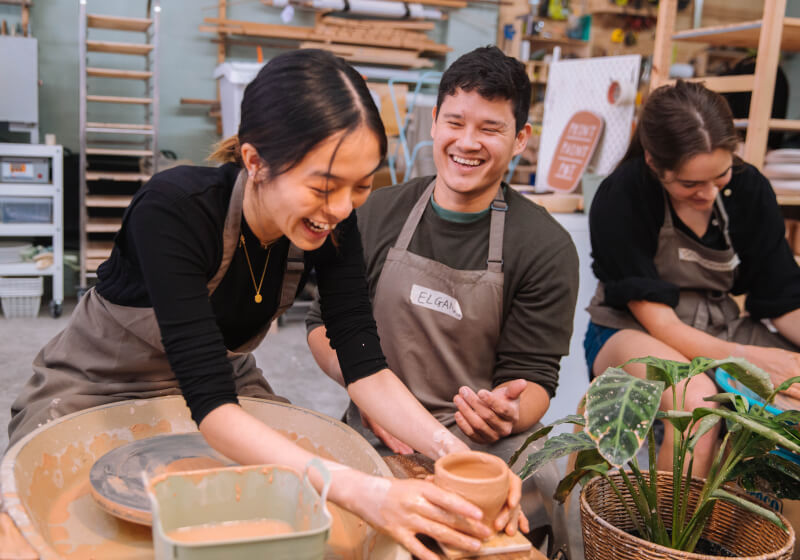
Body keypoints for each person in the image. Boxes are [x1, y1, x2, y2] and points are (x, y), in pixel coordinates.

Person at [7, 49, 526, 560]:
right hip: (97, 384)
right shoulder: (173, 209)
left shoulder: (333, 218)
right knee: (58, 522)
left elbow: (363, 363)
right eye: (324, 187)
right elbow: (211, 409)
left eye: (362, 186)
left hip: (226, 379)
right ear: (255, 162)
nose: (342, 208)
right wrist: (370, 494)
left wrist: (455, 455)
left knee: (317, 505)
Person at [306, 45, 579, 553]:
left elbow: (537, 378)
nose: (467, 143)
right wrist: (373, 398)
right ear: (433, 122)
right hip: (376, 427)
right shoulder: (374, 212)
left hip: (486, 444)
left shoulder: (544, 246)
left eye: (490, 129)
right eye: (455, 122)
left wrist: (507, 412)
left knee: (541, 511)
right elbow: (321, 327)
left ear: (521, 139)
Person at [585, 80, 800, 476]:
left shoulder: (749, 188)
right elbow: (661, 324)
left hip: (720, 324)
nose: (707, 194)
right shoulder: (623, 195)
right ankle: (664, 536)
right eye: (689, 184)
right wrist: (751, 361)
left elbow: (782, 299)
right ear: (654, 163)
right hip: (631, 330)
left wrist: (781, 363)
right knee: (698, 404)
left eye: (720, 176)